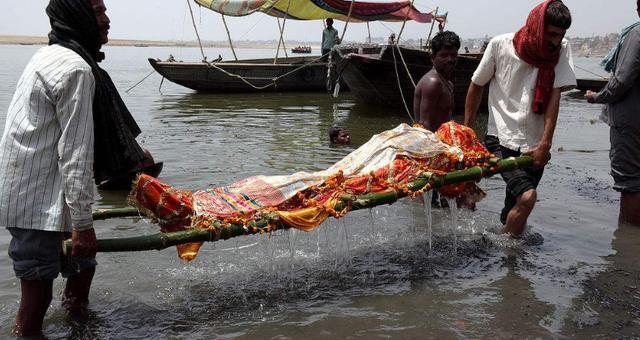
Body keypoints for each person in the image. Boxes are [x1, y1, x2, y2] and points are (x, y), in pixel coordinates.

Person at [0, 0, 149, 336]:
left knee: (83, 271)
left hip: (44, 192)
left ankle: (80, 330)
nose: (106, 20)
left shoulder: (51, 56)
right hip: (37, 203)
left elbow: (74, 140)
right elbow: (75, 152)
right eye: (97, 12)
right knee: (35, 305)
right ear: (77, 17)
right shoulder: (76, 69)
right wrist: (83, 224)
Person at [464, 0, 576, 237]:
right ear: (537, 26)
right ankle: (506, 251)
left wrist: (545, 144)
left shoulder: (561, 49)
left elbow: (554, 97)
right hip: (501, 139)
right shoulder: (500, 45)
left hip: (534, 144)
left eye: (560, 35)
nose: (555, 41)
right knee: (527, 198)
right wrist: (467, 132)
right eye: (552, 34)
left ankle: (507, 263)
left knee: (515, 210)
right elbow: (476, 85)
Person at [585, 0, 640, 226]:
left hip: (630, 122)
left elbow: (620, 81)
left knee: (630, 185)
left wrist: (596, 97)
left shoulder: (636, 35)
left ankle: (627, 243)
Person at [413, 31, 460, 132]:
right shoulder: (433, 83)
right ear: (433, 57)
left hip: (444, 139)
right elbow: (424, 125)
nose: (450, 59)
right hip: (432, 143)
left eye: (453, 55)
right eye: (444, 55)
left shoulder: (448, 83)